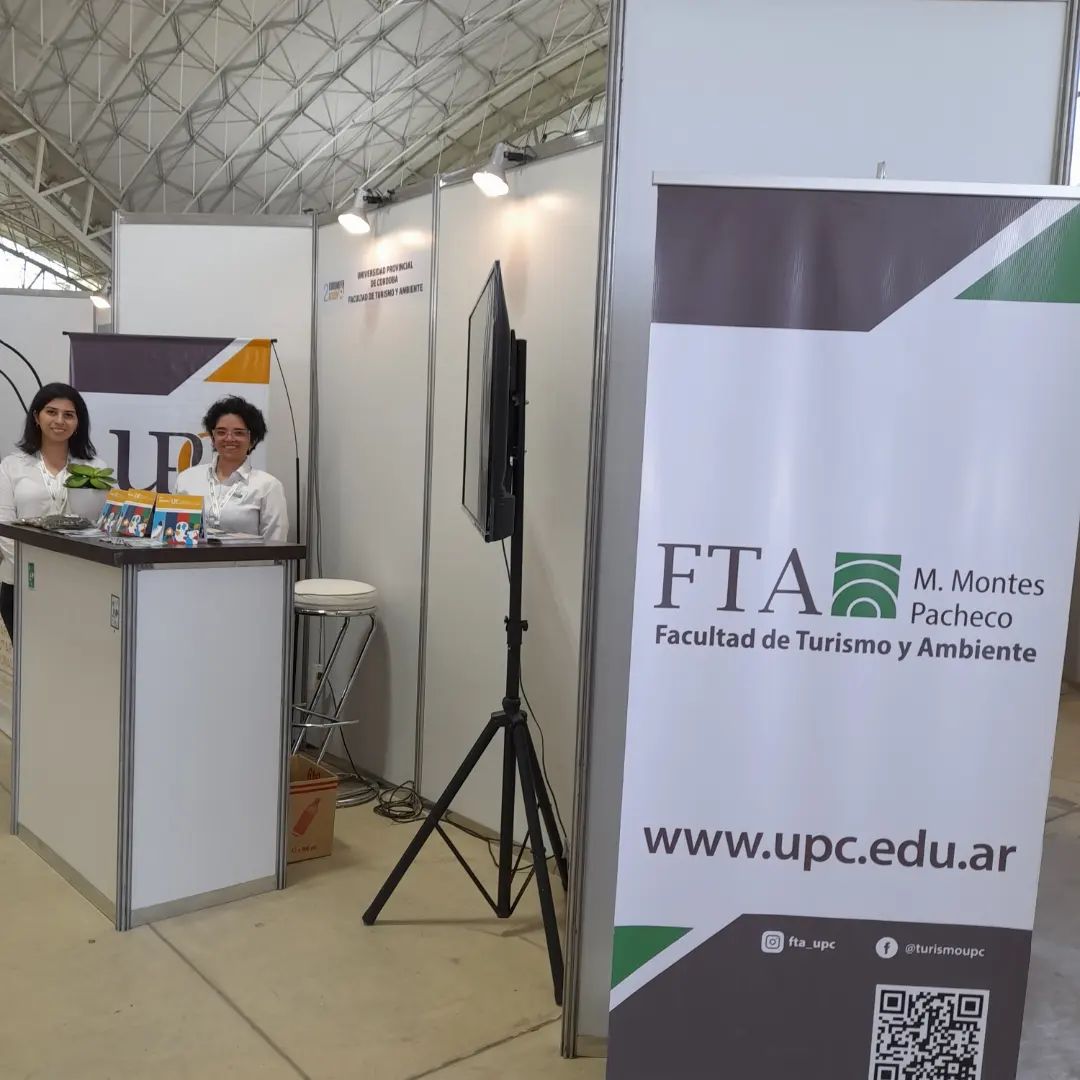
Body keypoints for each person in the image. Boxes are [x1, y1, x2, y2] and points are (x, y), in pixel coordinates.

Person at [0, 383, 108, 641]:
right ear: (37, 417)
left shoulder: (96, 468)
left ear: (78, 423)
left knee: (72, 656)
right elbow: (4, 527)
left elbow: (103, 525)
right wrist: (37, 567)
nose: (60, 420)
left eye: (68, 415)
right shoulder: (12, 465)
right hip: (22, 581)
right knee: (29, 659)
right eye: (51, 412)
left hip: (78, 582)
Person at [176, 395, 288, 542]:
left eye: (239, 433)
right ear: (213, 438)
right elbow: (174, 536)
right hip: (190, 558)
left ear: (252, 440)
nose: (229, 438)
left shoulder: (268, 486)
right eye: (221, 432)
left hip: (246, 558)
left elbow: (275, 544)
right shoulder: (186, 479)